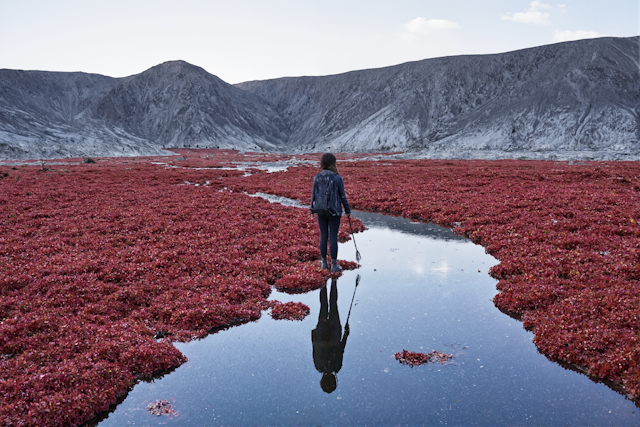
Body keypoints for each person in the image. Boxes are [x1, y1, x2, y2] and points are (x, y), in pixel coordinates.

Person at [310, 153, 351, 272]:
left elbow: (314, 195)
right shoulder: (337, 177)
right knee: (333, 236)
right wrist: (347, 210)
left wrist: (312, 209)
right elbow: (342, 196)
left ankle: (324, 263)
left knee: (323, 235)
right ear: (333, 162)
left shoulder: (317, 177)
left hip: (320, 210)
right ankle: (334, 265)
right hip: (334, 211)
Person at [311, 278, 349, 393]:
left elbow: (341, 349)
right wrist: (314, 333)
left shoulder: (337, 367)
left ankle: (332, 281)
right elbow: (314, 347)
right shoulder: (318, 366)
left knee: (332, 304)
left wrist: (346, 334)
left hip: (334, 331)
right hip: (322, 330)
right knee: (324, 305)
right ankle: (325, 283)